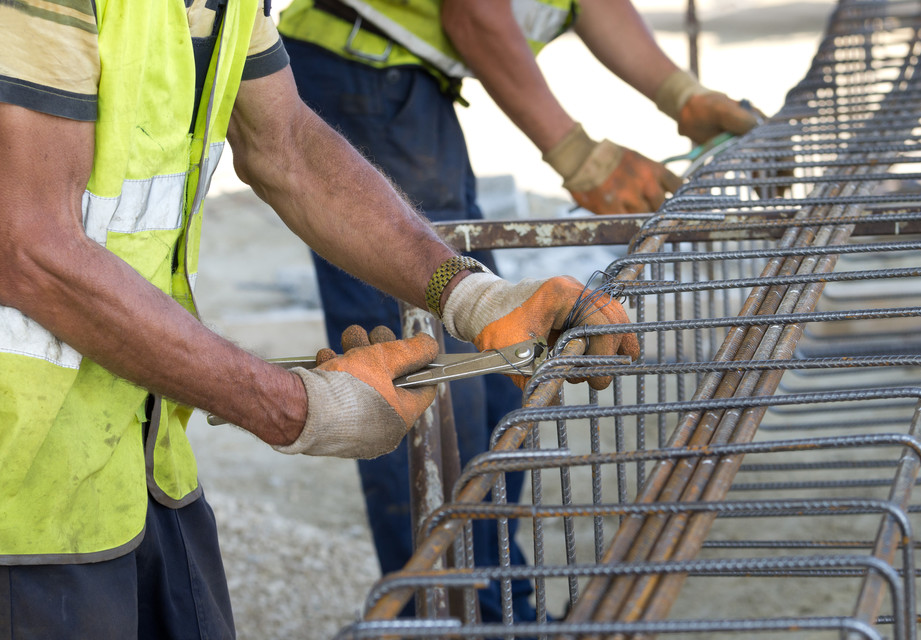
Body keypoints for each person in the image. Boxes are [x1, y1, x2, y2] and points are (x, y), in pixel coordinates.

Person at [0, 0, 639, 637]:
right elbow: (30, 248)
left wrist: (473, 296)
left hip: (133, 455)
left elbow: (288, 147)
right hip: (20, 487)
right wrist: (294, 406)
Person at [275, 0, 764, 625]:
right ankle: (453, 620)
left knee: (489, 387)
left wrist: (682, 95)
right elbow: (475, 13)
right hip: (365, 75)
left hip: (404, 86)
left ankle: (499, 612)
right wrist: (577, 154)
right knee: (435, 394)